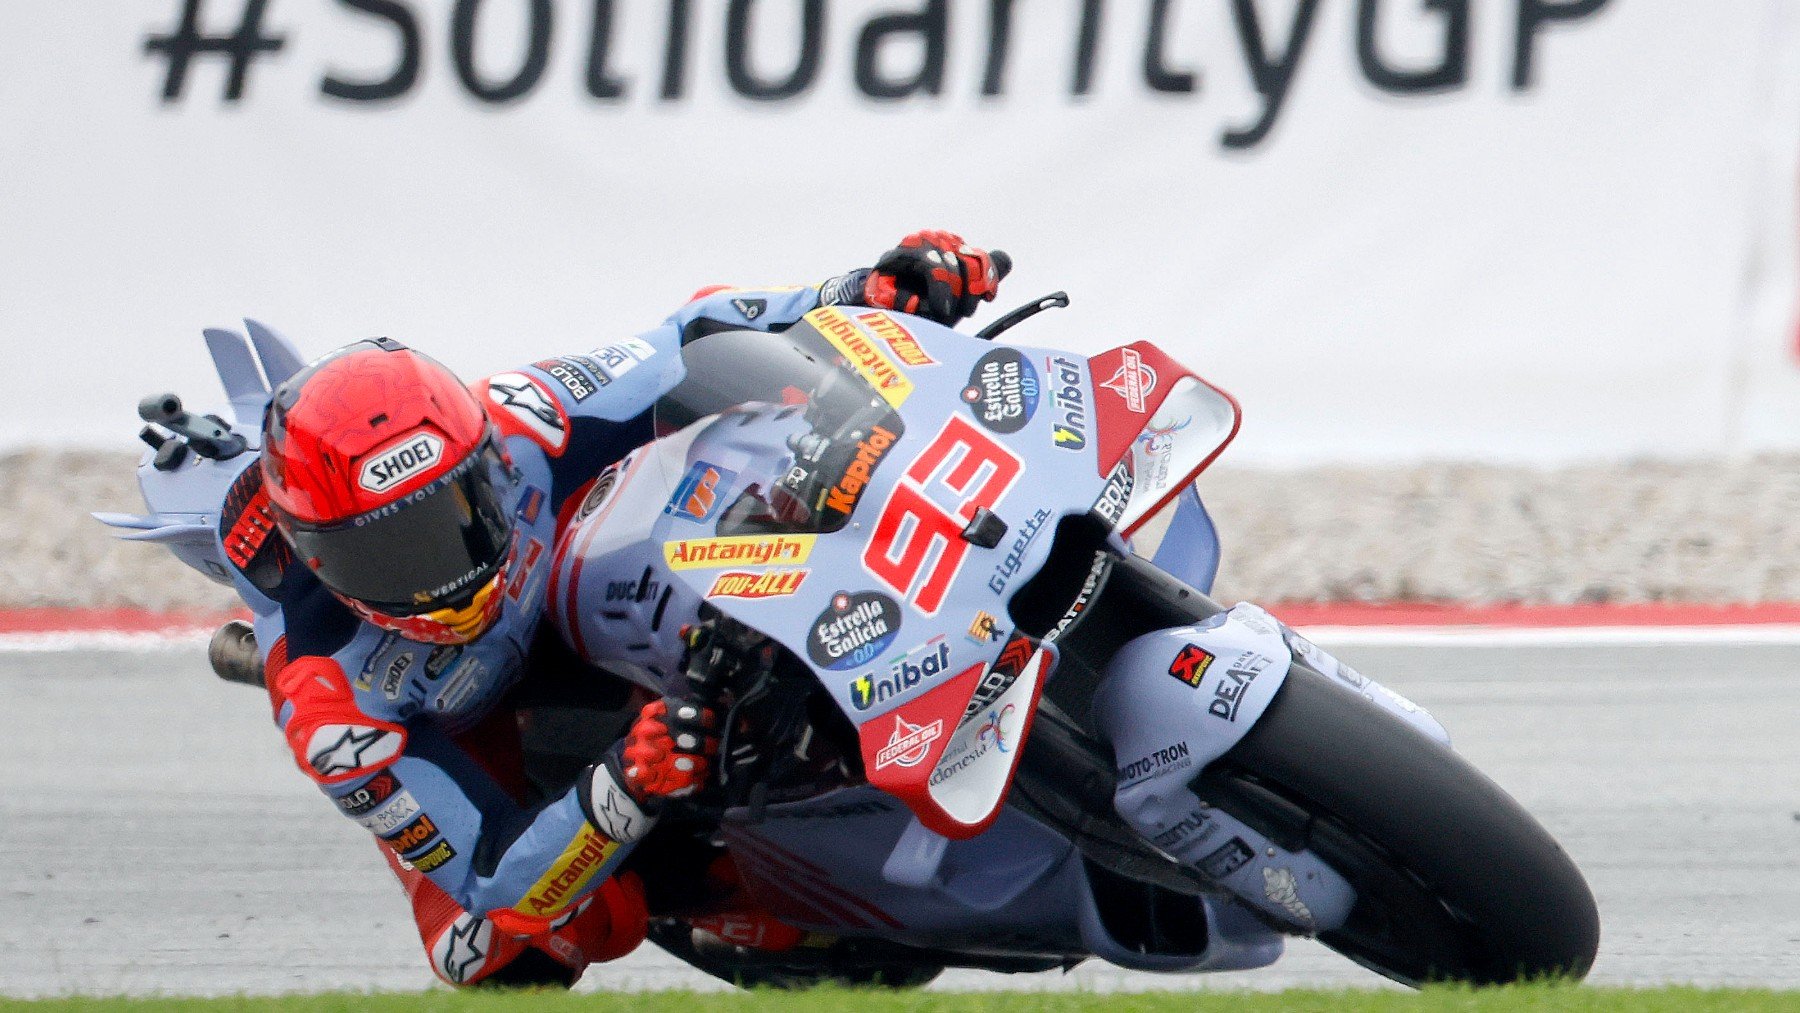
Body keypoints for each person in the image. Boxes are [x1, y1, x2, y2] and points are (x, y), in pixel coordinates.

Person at [215, 231, 1004, 987]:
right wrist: (625, 784)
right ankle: (729, 900)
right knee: (492, 949)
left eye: (455, 511)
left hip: (588, 592)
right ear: (321, 560)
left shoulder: (525, 418)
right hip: (465, 726)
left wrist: (863, 292)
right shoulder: (332, 705)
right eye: (389, 555)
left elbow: (692, 333)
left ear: (482, 455)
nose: (441, 573)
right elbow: (491, 871)